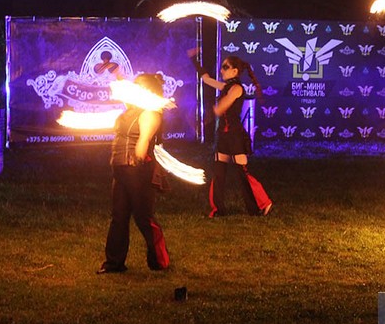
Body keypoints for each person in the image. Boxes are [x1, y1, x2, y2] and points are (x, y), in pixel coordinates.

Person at [98, 73, 170, 274]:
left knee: (143, 217)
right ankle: (114, 263)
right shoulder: (131, 109)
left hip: (138, 171)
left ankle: (159, 260)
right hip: (121, 170)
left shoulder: (150, 113)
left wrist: (139, 153)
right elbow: (122, 89)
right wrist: (116, 73)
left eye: (137, 87)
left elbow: (144, 139)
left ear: (146, 92)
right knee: (119, 216)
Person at [188, 50, 273, 217]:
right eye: (222, 67)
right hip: (224, 135)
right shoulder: (226, 87)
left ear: (235, 71)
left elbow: (221, 108)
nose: (221, 70)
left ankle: (262, 203)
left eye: (225, 67)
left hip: (235, 136)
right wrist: (194, 59)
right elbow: (206, 79)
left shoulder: (236, 89)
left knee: (242, 173)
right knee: (218, 173)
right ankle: (218, 209)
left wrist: (203, 119)